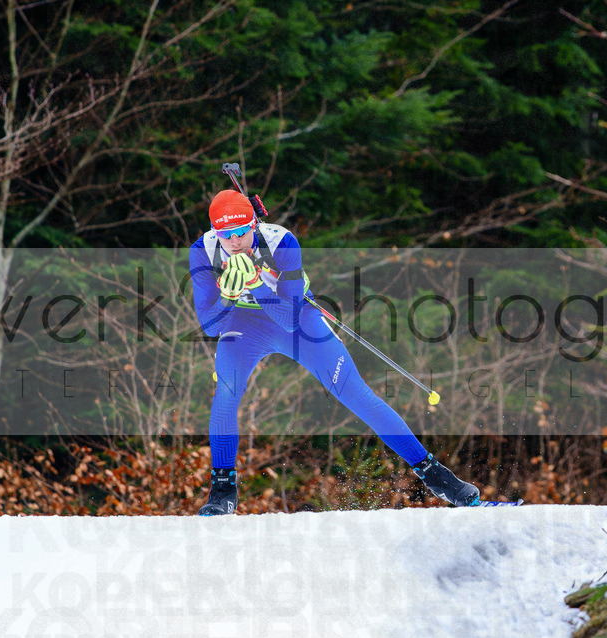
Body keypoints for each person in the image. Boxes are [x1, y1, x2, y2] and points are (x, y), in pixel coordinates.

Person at [188, 189, 480, 514]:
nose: (236, 242)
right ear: (216, 232)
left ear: (254, 225)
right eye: (227, 236)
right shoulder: (203, 250)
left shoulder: (282, 242)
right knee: (226, 394)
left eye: (242, 232)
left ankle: (434, 474)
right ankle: (222, 491)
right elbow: (211, 326)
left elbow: (288, 318)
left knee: (354, 393)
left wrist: (256, 284)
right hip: (244, 324)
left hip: (295, 319)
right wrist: (227, 296)